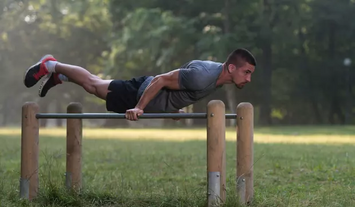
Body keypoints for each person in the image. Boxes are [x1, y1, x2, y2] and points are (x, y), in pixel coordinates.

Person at [23, 48, 256, 121]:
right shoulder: (204, 75)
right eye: (246, 72)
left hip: (149, 96)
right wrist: (140, 107)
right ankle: (52, 65)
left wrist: (171, 107)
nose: (248, 79)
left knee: (93, 86)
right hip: (140, 92)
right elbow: (161, 79)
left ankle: (61, 77)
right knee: (93, 84)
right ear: (232, 68)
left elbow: (181, 79)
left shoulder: (215, 76)